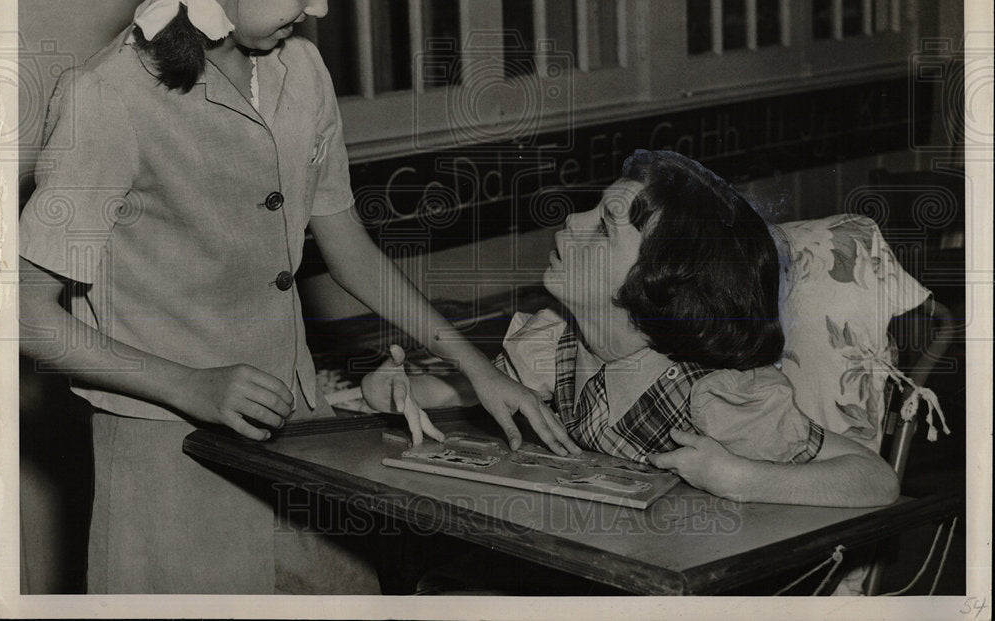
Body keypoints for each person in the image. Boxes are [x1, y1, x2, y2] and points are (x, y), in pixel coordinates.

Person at [17, 0, 577, 595]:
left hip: (301, 434)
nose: (318, 10)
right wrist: (190, 384)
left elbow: (348, 246)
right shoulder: (108, 99)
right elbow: (23, 314)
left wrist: (477, 371)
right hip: (166, 458)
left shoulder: (301, 73)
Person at [362, 149, 900, 508]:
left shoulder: (716, 393)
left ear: (661, 279)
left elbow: (876, 479)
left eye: (603, 226)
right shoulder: (556, 343)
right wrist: (398, 389)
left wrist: (739, 476)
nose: (571, 222)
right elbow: (476, 392)